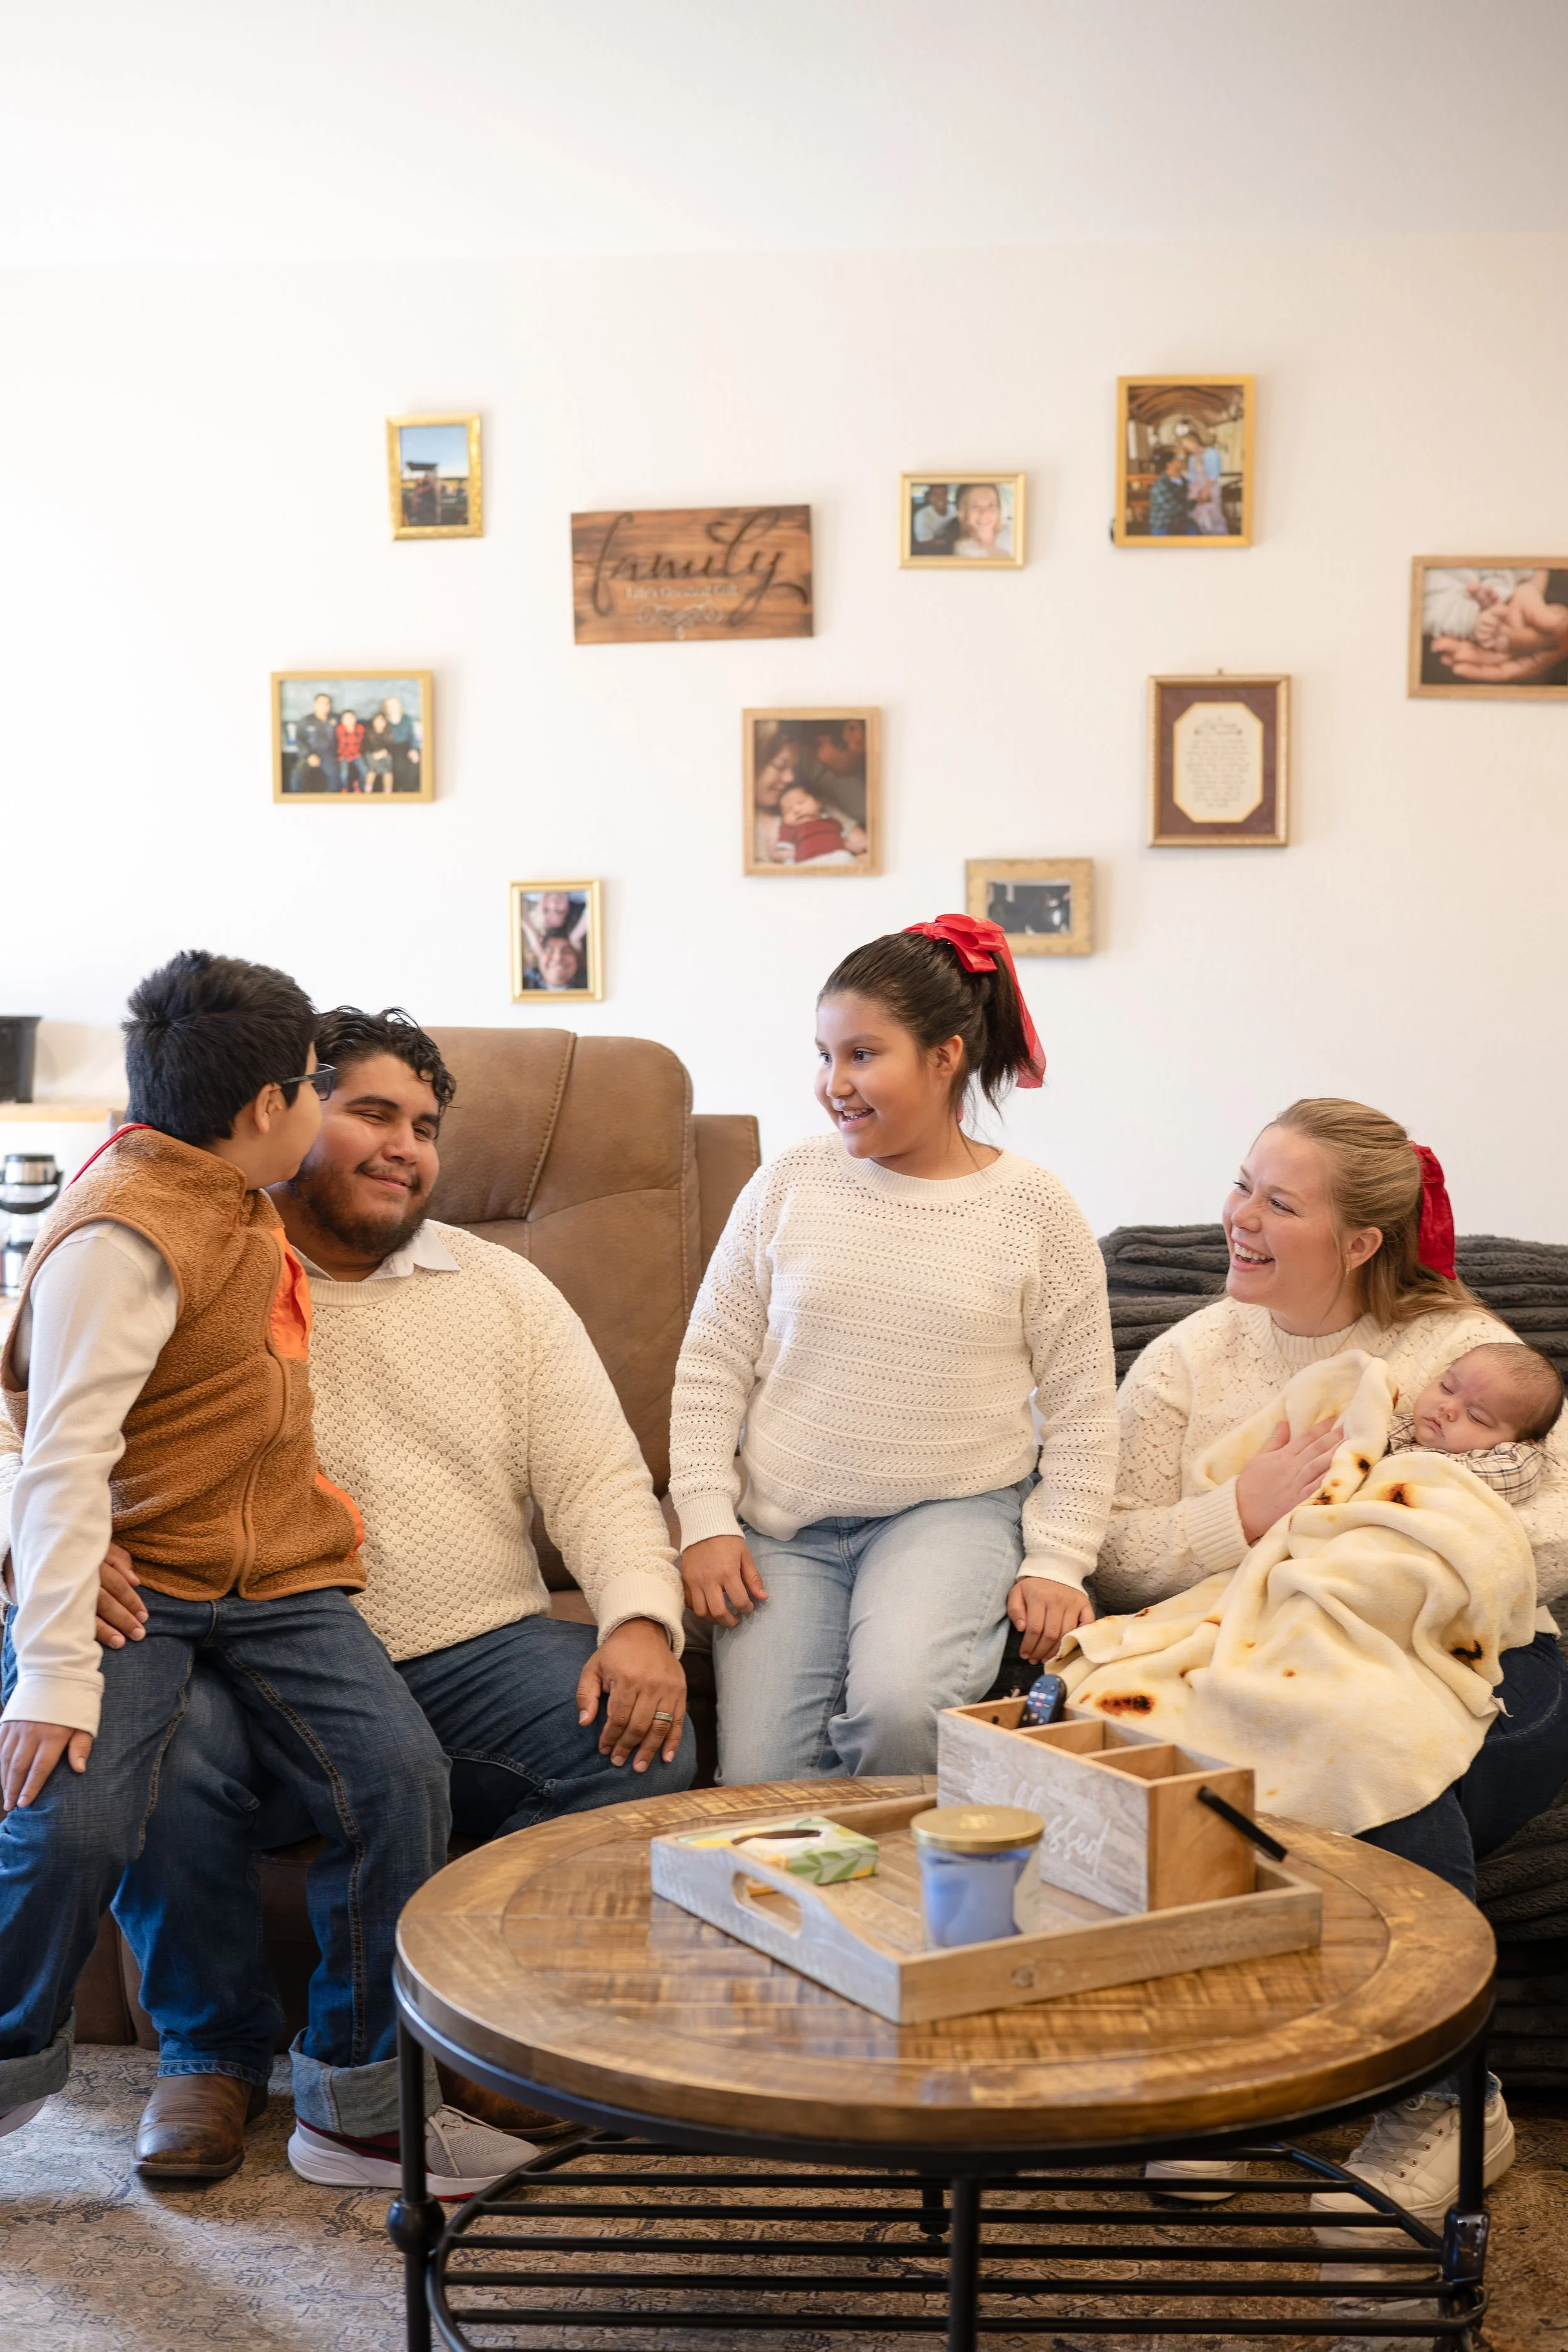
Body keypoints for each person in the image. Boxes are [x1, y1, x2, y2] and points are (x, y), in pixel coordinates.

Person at [66, 1007, 693, 2176]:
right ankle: (210, 2058)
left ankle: (479, 2048)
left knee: (636, 1743)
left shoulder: (503, 1289)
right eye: (371, 1113)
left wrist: (642, 1622)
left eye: (427, 1126)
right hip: (240, 1653)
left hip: (470, 1648)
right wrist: (62, 1535)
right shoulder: (191, 1265)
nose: (407, 1145)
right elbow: (47, 1424)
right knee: (165, 1737)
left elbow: (603, 1481)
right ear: (286, 1114)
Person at [0, 955, 527, 2200]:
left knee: (399, 1778)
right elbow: (59, 1452)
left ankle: (353, 2106)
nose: (329, 1111)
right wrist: (56, 1672)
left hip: (284, 1577)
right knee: (70, 1820)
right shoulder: (124, 1237)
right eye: (315, 1090)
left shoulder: (237, 1186)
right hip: (146, 1582)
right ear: (266, 1112)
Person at [1100, 1098, 1568, 2227]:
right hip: (1249, 1643)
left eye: (1279, 1201)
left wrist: (1373, 1529)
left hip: (1475, 1657)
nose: (1238, 1217)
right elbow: (1111, 1550)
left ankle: (1441, 2107)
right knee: (1142, 1718)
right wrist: (1241, 1518)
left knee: (1357, 1729)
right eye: (1241, 1184)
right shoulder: (1188, 1357)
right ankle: (1228, 2066)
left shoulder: (1458, 1350)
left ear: (1361, 1242)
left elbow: (1554, 1527)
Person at [670, 914, 1117, 1783]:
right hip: (784, 1529)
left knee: (898, 1715)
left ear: (944, 1056)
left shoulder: (1035, 1209)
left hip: (949, 1513)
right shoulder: (791, 1181)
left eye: (863, 1055)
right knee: (759, 1784)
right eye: (825, 1055)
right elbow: (711, 1362)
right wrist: (705, 1521)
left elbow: (1084, 1409)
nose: (834, 1083)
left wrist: (1060, 1558)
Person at [1389, 1340, 1564, 1498]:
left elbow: (1520, 1472)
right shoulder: (1401, 1424)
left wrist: (1409, 1465)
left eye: (1476, 1417)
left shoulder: (1503, 1463)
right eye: (1447, 1388)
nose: (1447, 1408)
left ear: (1519, 1442)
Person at [774, 782, 859, 867]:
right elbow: (783, 851)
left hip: (836, 856)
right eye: (788, 811)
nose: (796, 810)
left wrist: (848, 844)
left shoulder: (831, 821)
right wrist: (788, 856)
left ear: (818, 802)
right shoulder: (789, 829)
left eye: (801, 803)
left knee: (845, 857)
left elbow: (843, 836)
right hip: (808, 861)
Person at [290, 691, 339, 793]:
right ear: (315, 705)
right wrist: (309, 755)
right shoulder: (306, 721)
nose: (325, 706)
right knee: (296, 777)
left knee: (334, 776)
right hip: (309, 754)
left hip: (328, 755)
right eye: (321, 703)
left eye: (327, 703)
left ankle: (331, 801)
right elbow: (300, 740)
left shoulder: (335, 719)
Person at [951, 482, 1011, 559]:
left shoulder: (1013, 533)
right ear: (964, 512)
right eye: (975, 506)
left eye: (991, 506)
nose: (984, 513)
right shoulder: (963, 550)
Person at [1147, 445, 1191, 537]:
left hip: (1181, 523)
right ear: (1169, 464)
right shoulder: (1160, 485)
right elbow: (1172, 508)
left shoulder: (1184, 480)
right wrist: (1197, 502)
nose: (1180, 461)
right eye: (1176, 459)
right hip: (1163, 526)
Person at [383, 695, 421, 792]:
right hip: (393, 747)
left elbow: (412, 736)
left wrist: (413, 749)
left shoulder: (407, 719)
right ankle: (400, 790)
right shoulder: (385, 721)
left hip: (408, 744)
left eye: (395, 704)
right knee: (399, 765)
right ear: (387, 708)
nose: (393, 707)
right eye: (390, 705)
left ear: (399, 705)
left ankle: (410, 790)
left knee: (415, 762)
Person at [911, 484, 958, 553]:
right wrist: (950, 542)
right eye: (936, 494)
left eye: (944, 494)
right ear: (930, 498)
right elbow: (924, 543)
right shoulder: (922, 515)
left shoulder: (955, 509)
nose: (941, 497)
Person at [361, 709, 395, 794]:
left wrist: (384, 752)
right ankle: (367, 792)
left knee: (388, 772)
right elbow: (366, 746)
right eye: (376, 721)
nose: (378, 723)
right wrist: (374, 754)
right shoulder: (368, 732)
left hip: (384, 756)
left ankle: (388, 793)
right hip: (372, 755)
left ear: (385, 722)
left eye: (381, 721)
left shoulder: (389, 733)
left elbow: (391, 747)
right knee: (371, 771)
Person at [334, 709, 366, 794]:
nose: (349, 720)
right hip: (343, 755)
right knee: (344, 774)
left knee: (364, 770)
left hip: (356, 754)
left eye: (351, 718)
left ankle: (359, 787)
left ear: (355, 719)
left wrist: (356, 755)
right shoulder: (339, 729)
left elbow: (362, 743)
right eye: (346, 718)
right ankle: (345, 788)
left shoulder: (360, 728)